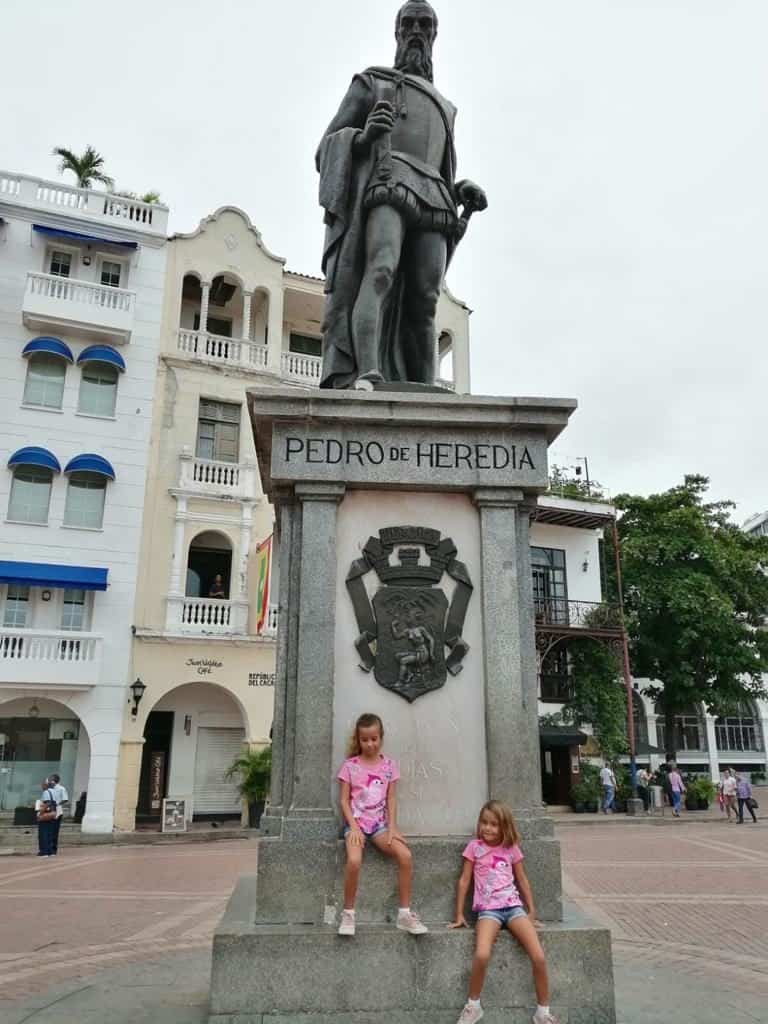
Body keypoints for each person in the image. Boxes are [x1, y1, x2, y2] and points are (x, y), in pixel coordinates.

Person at [316, 0, 487, 389]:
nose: (416, 31)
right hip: (388, 181)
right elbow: (325, 147)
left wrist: (459, 189)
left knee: (426, 297)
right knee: (380, 270)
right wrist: (364, 136)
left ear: (434, 35)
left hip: (436, 198)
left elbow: (441, 166)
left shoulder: (447, 108)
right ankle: (367, 371)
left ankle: (424, 387)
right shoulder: (371, 82)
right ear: (396, 32)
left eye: (424, 25)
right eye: (408, 23)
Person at [449, 800, 559, 1024]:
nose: (487, 828)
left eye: (493, 824)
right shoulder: (474, 847)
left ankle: (543, 1012)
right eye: (484, 823)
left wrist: (531, 911)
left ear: (504, 827)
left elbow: (522, 880)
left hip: (513, 908)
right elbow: (464, 881)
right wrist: (459, 914)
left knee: (538, 955)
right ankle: (473, 1006)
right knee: (481, 954)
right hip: (489, 911)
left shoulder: (511, 849)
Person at [336, 712, 427, 937]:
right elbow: (343, 801)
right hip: (356, 825)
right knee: (355, 860)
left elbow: (391, 799)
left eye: (374, 738)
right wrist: (353, 827)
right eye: (365, 739)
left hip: (379, 826)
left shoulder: (388, 767)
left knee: (405, 856)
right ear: (358, 740)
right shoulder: (350, 766)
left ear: (381, 738)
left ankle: (404, 914)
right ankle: (348, 913)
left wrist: (393, 827)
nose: (370, 744)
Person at [47, 773, 69, 855]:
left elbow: (65, 799)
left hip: (57, 811)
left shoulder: (61, 788)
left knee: (54, 831)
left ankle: (53, 849)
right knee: (48, 830)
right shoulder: (49, 789)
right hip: (49, 811)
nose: (49, 781)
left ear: (54, 781)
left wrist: (57, 804)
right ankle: (48, 848)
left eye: (50, 779)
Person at [34, 780, 57, 857]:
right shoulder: (54, 792)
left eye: (42, 785)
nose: (41, 786)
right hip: (53, 814)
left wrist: (40, 813)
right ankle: (50, 851)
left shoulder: (46, 792)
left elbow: (47, 803)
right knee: (50, 833)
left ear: (46, 785)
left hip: (46, 814)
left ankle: (44, 852)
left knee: (43, 833)